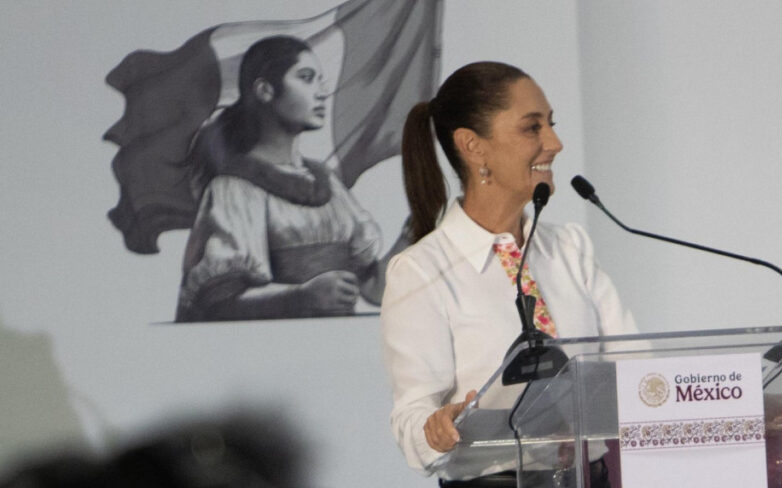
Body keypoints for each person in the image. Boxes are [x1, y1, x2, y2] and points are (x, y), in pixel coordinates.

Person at [381, 62, 637, 486]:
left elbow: (635, 369)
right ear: (473, 146)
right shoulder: (421, 271)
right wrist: (437, 427)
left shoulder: (569, 247)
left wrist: (730, 399)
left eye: (550, 125)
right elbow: (412, 417)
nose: (555, 143)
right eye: (532, 128)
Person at [175, 36, 405, 322]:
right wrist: (301, 297)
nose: (321, 92)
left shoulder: (328, 183)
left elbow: (372, 290)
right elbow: (218, 304)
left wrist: (412, 235)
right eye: (306, 78)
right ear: (265, 90)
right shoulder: (235, 187)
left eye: (320, 80)